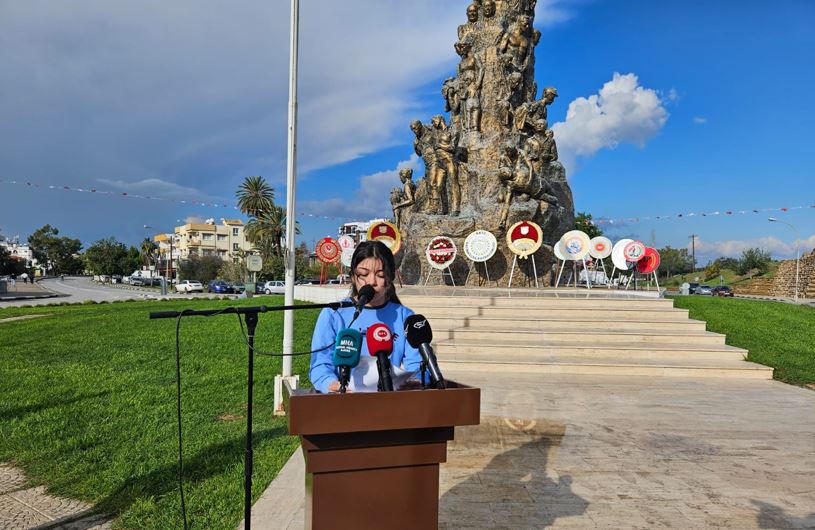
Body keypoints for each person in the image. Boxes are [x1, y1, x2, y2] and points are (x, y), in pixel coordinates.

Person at [309, 241, 423, 394]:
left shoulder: (405, 316)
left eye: (380, 275)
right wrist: (329, 383)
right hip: (344, 401)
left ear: (390, 278)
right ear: (353, 277)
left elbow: (417, 364)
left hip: (391, 401)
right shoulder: (334, 314)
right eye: (363, 274)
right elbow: (320, 364)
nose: (371, 282)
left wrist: (418, 380)